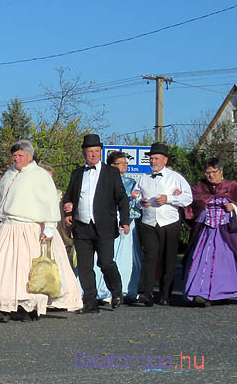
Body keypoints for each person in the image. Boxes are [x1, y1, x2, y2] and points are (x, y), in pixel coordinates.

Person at [0, 140, 82, 322]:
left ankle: (27, 306)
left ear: (29, 156)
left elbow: (49, 202)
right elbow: (2, 200)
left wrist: (49, 227)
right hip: (8, 227)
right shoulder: (9, 174)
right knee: (4, 268)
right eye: (14, 156)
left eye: (20, 156)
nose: (16, 159)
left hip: (31, 228)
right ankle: (3, 305)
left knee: (27, 270)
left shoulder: (40, 175)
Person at [62, 134, 130, 314]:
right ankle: (90, 302)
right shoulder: (77, 173)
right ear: (84, 153)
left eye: (97, 151)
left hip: (105, 226)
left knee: (106, 262)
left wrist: (124, 220)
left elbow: (122, 198)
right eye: (90, 151)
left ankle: (116, 292)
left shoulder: (111, 172)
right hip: (82, 226)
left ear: (101, 152)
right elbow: (69, 196)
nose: (93, 155)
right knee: (85, 266)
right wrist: (68, 210)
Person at [132, 142, 192, 306]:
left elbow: (188, 198)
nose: (153, 161)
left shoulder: (176, 177)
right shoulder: (143, 178)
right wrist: (140, 202)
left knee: (169, 258)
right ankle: (147, 292)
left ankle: (166, 293)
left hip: (169, 222)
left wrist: (169, 199)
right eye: (151, 158)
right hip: (149, 222)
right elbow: (136, 197)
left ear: (165, 160)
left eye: (156, 158)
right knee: (150, 257)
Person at [182, 158, 237, 306]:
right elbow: (189, 203)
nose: (211, 176)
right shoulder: (200, 187)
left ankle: (224, 292)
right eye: (208, 173)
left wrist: (233, 206)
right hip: (206, 232)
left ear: (221, 171)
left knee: (226, 261)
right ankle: (202, 293)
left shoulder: (232, 186)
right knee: (202, 260)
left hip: (227, 231)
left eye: (214, 172)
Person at [90, 151, 143, 302]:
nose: (124, 166)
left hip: (127, 222)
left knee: (127, 257)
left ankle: (127, 288)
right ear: (112, 165)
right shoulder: (103, 180)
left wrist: (134, 200)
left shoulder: (132, 183)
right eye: (120, 163)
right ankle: (103, 289)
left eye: (126, 163)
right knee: (105, 257)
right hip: (108, 222)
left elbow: (135, 206)